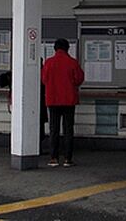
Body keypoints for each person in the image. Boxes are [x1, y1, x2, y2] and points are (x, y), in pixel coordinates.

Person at [41, 38, 84, 167]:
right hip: (68, 100)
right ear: (67, 48)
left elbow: (44, 80)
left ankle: (53, 158)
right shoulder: (72, 62)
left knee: (53, 129)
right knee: (68, 129)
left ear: (55, 48)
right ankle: (67, 159)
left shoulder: (49, 62)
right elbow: (79, 79)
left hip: (53, 100)